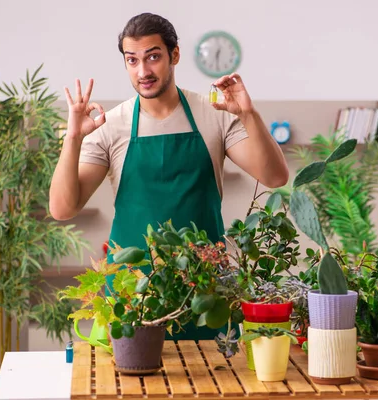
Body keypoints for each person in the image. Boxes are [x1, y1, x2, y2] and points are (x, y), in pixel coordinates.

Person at [49, 12, 289, 340]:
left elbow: (275, 177)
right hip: (132, 294)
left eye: (153, 57)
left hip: (204, 290)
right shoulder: (112, 124)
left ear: (174, 55)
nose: (143, 71)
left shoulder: (213, 114)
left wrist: (249, 114)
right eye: (132, 60)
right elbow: (62, 209)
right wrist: (73, 138)